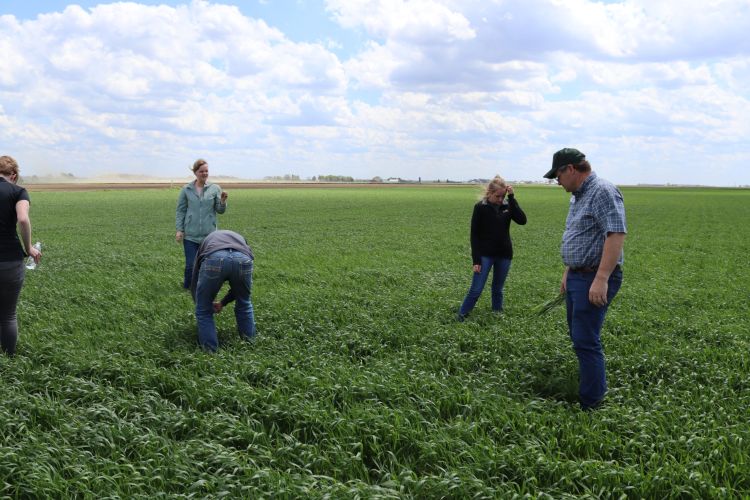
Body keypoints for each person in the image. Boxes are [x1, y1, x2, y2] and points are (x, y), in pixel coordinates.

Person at [544, 148, 626, 410]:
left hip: (594, 276)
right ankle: (591, 387)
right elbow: (581, 237)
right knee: (579, 335)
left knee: (586, 339)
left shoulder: (602, 190)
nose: (557, 181)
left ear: (570, 169)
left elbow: (615, 234)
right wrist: (568, 271)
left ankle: (591, 402)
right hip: (579, 275)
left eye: (557, 175)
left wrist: (601, 278)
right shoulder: (579, 196)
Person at [458, 175, 527, 321]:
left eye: (503, 196)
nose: (501, 199)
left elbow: (522, 220)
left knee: (497, 289)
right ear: (489, 193)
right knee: (476, 290)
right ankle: (461, 316)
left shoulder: (508, 205)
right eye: (498, 196)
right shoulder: (480, 207)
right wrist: (476, 260)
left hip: (504, 254)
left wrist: (512, 198)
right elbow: (474, 235)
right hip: (485, 255)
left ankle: (497, 315)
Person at [0, 156, 42, 356]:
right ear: (14, 175)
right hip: (9, 259)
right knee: (8, 315)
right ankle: (8, 359)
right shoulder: (18, 191)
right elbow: (23, 220)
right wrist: (29, 248)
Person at [189, 229, 256, 352]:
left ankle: (210, 352)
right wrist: (223, 302)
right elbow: (240, 290)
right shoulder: (240, 238)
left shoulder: (206, 241)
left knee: (203, 310)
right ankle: (250, 345)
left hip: (214, 257)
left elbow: (195, 279)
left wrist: (201, 302)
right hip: (243, 258)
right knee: (244, 303)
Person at [175, 159, 228, 289]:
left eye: (206, 171)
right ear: (195, 172)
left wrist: (222, 201)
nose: (204, 173)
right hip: (191, 235)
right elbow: (180, 211)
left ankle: (205, 287)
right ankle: (188, 289)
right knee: (190, 265)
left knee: (208, 264)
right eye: (201, 171)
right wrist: (179, 229)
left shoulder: (215, 188)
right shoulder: (186, 189)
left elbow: (220, 211)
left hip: (209, 235)